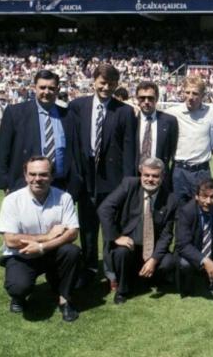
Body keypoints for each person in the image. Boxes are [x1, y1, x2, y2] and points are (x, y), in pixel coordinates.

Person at [69, 64, 137, 287]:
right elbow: (74, 144)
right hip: (86, 180)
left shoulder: (124, 111)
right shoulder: (77, 106)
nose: (106, 87)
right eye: (102, 82)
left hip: (113, 181)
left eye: (111, 83)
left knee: (110, 228)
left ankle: (111, 271)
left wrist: (127, 183)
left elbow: (129, 149)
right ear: (94, 81)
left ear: (117, 84)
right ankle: (89, 268)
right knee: (88, 229)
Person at [0, 156, 81, 322]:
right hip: (21, 254)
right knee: (18, 287)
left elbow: (72, 233)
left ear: (51, 176)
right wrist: (47, 236)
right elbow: (11, 240)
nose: (37, 179)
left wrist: (42, 247)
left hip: (51, 253)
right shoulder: (12, 200)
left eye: (43, 174)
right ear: (25, 176)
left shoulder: (64, 198)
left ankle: (65, 300)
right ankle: (18, 296)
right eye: (32, 174)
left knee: (72, 251)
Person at [97, 157, 178, 304]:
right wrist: (116, 236)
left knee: (168, 261)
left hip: (150, 250)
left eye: (155, 176)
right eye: (146, 175)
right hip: (129, 247)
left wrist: (154, 260)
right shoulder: (129, 185)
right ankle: (122, 290)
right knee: (121, 252)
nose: (150, 179)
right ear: (141, 173)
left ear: (163, 177)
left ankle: (148, 277)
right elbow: (104, 209)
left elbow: (166, 235)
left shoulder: (171, 199)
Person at [0, 70, 77, 196]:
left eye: (51, 88)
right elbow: (2, 150)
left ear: (58, 89)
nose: (46, 92)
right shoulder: (15, 113)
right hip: (24, 185)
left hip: (59, 186)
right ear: (34, 88)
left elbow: (73, 153)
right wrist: (5, 184)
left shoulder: (68, 116)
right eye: (42, 87)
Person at [134, 81, 178, 179]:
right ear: (137, 99)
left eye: (150, 98)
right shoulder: (131, 120)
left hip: (159, 176)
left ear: (157, 98)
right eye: (142, 98)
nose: (146, 101)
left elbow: (172, 149)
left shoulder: (170, 121)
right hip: (135, 175)